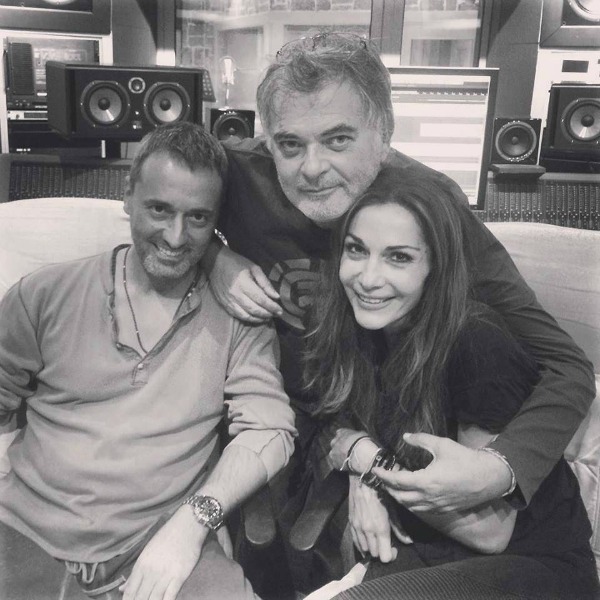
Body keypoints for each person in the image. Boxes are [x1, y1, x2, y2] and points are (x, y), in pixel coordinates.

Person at [203, 31, 595, 515]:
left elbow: (567, 365)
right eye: (289, 144)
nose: (312, 168)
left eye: (338, 139)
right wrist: (211, 256)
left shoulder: (428, 205)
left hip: (380, 435)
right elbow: (155, 213)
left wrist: (501, 468)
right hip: (272, 425)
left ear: (384, 131)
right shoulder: (236, 175)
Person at [0, 122, 297, 600]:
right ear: (127, 196)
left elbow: (270, 431)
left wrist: (194, 521)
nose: (176, 237)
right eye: (160, 209)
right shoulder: (45, 294)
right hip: (25, 536)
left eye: (197, 218)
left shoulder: (240, 317)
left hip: (160, 543)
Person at [303, 167, 600, 600]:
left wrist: (367, 460)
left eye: (399, 257)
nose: (368, 277)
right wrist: (355, 460)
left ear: (435, 268)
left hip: (529, 566)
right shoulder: (358, 327)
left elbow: (489, 532)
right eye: (356, 249)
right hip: (430, 548)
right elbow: (332, 423)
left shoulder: (475, 341)